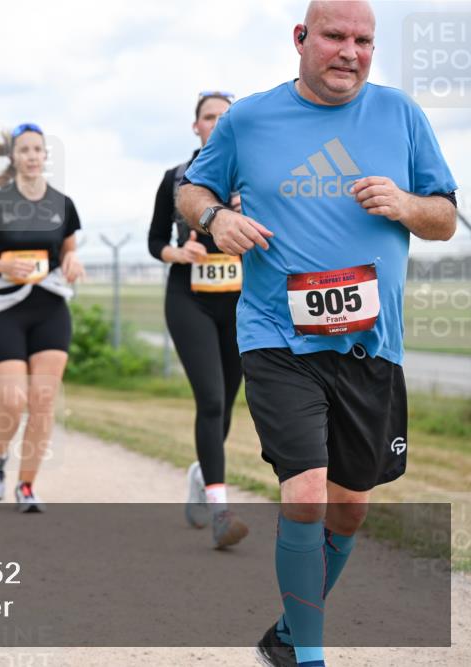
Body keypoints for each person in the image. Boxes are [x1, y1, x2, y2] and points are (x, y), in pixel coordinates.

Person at [176, 2, 457, 664]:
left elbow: (444, 216)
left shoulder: (402, 116)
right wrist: (215, 218)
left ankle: (285, 635)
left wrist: (406, 204)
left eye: (364, 40)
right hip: (278, 334)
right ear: (301, 39)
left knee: (349, 508)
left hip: (370, 344)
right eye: (335, 36)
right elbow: (191, 189)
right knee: (305, 491)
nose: (350, 51)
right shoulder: (249, 119)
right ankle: (310, 656)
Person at [0, 123, 85, 513]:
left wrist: (72, 259)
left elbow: (67, 251)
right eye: (24, 149)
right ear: (14, 157)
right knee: (13, 401)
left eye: (38, 150)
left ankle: (26, 486)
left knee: (43, 401)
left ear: (46, 156)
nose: (32, 156)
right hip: (4, 310)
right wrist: (1, 266)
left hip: (50, 309)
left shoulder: (63, 204)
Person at [148, 91, 249, 550]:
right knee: (210, 400)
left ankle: (200, 475)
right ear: (196, 126)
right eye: (209, 117)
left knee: (225, 403)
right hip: (188, 298)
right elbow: (154, 242)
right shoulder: (175, 178)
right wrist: (179, 251)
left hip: (241, 302)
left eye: (225, 117)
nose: (216, 123)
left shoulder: (253, 178)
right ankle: (221, 511)